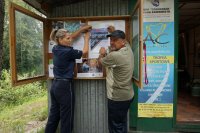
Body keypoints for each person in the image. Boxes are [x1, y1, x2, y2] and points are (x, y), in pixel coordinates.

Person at [45, 25, 92, 133]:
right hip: (65, 87)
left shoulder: (56, 48)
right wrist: (86, 38)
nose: (71, 39)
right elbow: (84, 52)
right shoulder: (68, 52)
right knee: (67, 118)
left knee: (54, 116)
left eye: (70, 37)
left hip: (55, 86)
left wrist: (81, 29)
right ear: (60, 39)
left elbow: (71, 37)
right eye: (68, 38)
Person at [98, 30, 134, 133]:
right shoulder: (128, 49)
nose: (111, 42)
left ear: (122, 41)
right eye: (111, 40)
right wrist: (113, 30)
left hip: (117, 98)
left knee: (115, 128)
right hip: (128, 95)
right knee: (121, 123)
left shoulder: (115, 56)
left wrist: (101, 54)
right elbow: (123, 41)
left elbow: (100, 63)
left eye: (115, 40)